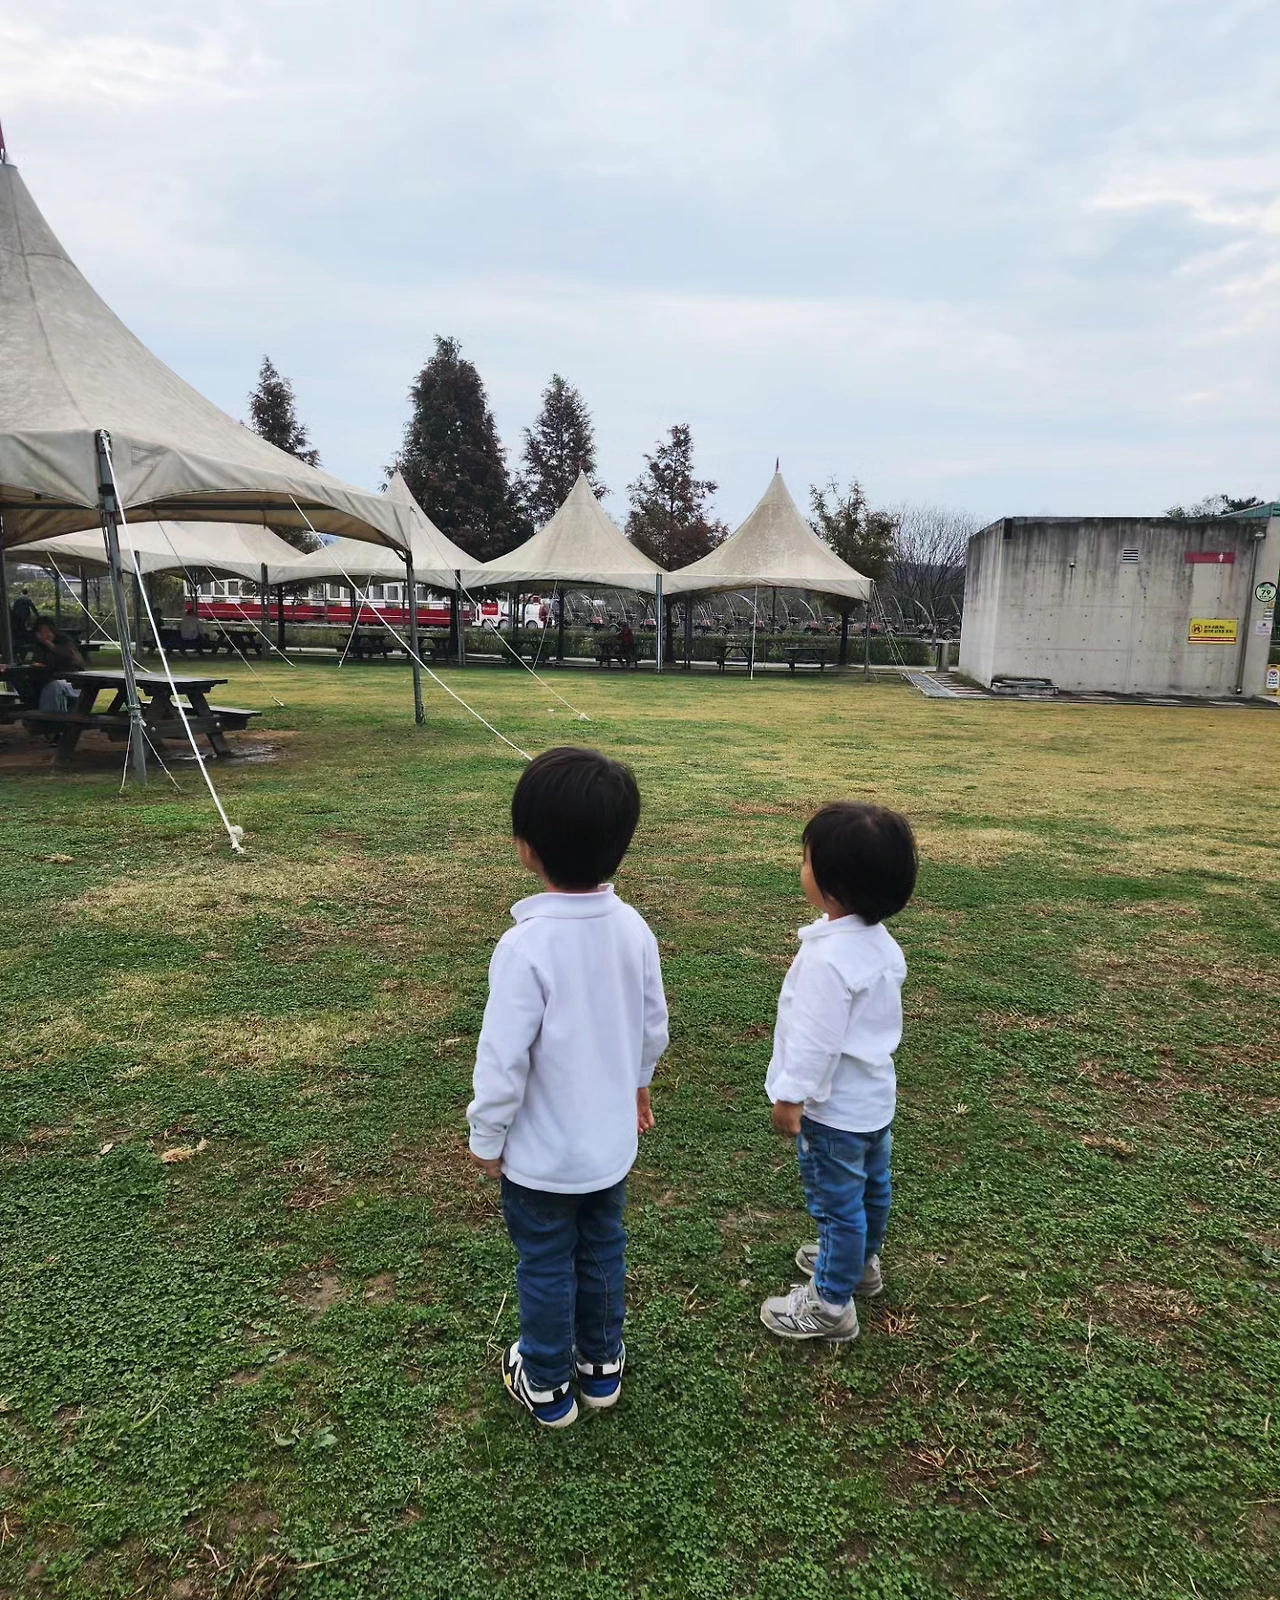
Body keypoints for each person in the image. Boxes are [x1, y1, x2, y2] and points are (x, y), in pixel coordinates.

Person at [467, 746, 669, 1428]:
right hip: (609, 1149)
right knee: (603, 1247)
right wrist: (640, 1084)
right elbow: (653, 1026)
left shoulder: (525, 947)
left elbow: (502, 1060)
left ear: (526, 848)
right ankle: (601, 1367)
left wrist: (486, 1136)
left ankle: (548, 1385)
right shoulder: (634, 929)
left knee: (547, 1262)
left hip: (540, 1160)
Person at [760, 802, 917, 1344]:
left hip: (832, 1112)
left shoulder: (827, 962)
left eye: (805, 859)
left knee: (837, 1210)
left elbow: (816, 1040)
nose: (800, 866)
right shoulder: (880, 944)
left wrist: (791, 1096)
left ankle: (830, 1304)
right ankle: (860, 1265)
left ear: (832, 882)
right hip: (873, 1104)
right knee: (871, 1192)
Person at [0, 618, 86, 712]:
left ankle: (48, 715)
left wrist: (48, 643)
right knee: (22, 681)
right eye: (42, 632)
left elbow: (69, 657)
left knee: (53, 687)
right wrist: (11, 666)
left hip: (71, 683)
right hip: (47, 680)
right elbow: (35, 662)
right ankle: (32, 708)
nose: (46, 635)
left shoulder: (65, 642)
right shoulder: (39, 647)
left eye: (48, 631)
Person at [9, 588, 39, 662]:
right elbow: (32, 607)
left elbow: (14, 607)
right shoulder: (27, 599)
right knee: (23, 624)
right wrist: (38, 615)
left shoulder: (18, 599)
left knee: (20, 625)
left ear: (22, 592)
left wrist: (13, 614)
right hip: (25, 614)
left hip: (18, 615)